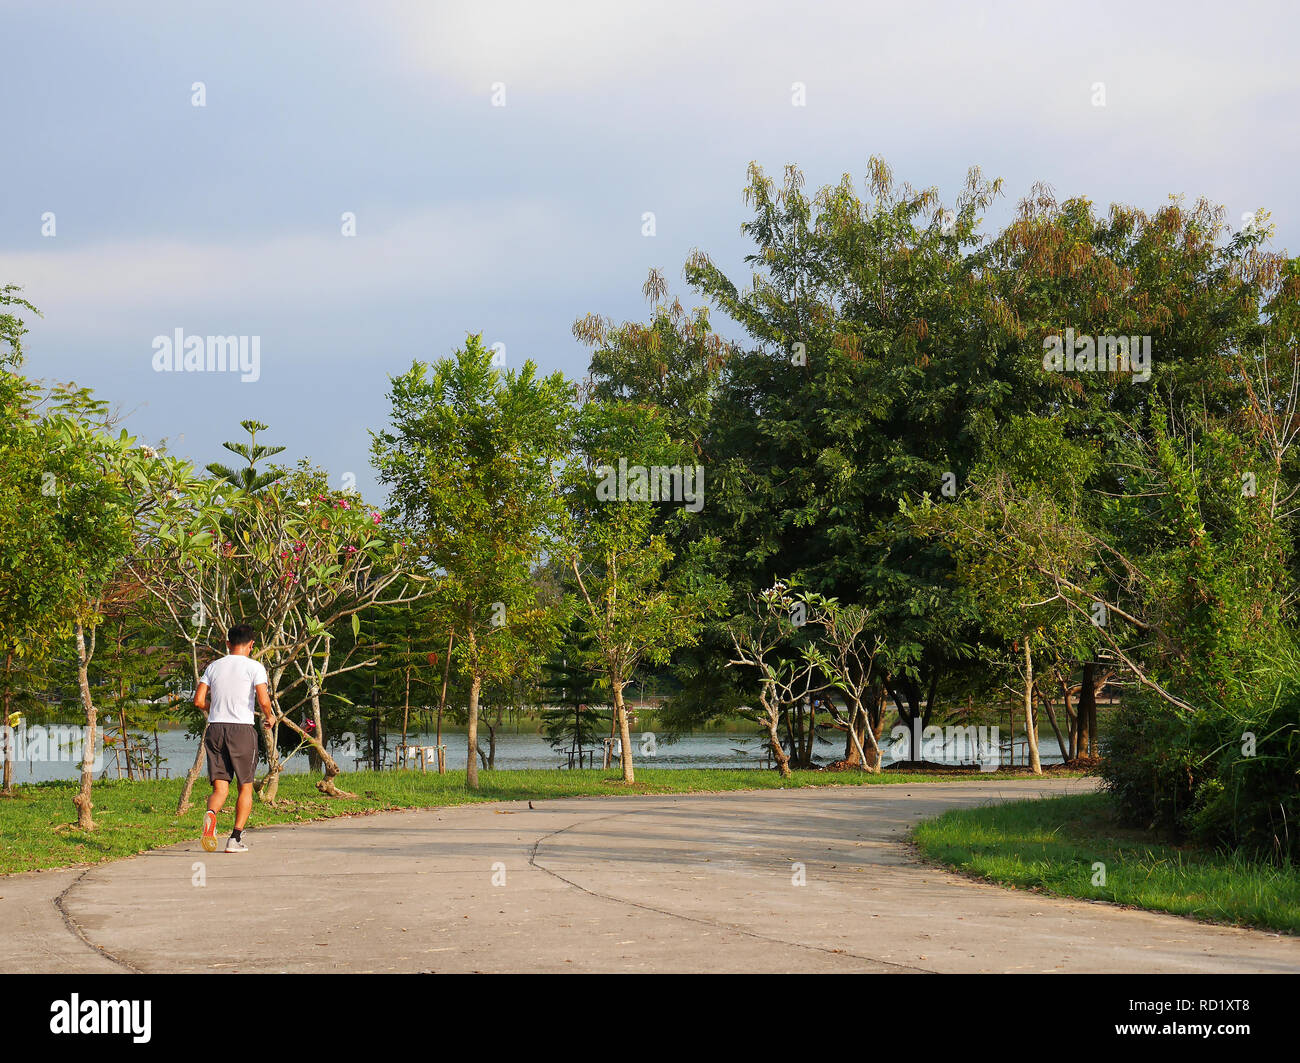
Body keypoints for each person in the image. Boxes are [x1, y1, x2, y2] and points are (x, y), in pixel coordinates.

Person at [194, 623, 275, 853]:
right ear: (251, 645)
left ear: (228, 644)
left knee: (220, 789)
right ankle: (234, 839)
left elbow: (198, 701)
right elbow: (263, 700)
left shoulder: (213, 667)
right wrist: (270, 717)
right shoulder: (255, 667)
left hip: (215, 729)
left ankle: (211, 816)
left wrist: (215, 707)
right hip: (241, 730)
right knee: (245, 787)